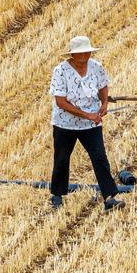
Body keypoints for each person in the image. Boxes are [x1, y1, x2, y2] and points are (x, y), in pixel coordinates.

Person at [49, 36, 125, 210]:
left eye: (87, 52)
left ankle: (109, 197)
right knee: (61, 158)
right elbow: (61, 102)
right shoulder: (60, 71)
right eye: (80, 53)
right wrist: (87, 115)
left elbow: (103, 87)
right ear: (72, 55)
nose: (84, 55)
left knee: (99, 158)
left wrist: (104, 103)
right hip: (65, 123)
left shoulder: (96, 67)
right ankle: (57, 195)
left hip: (91, 124)